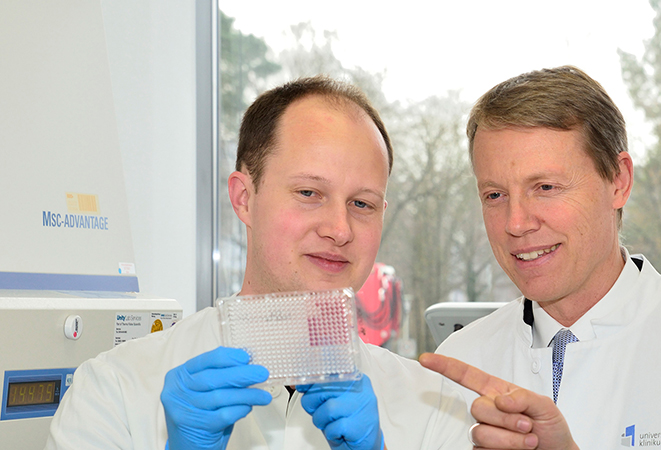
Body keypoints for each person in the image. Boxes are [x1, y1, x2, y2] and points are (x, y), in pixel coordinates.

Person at [45, 76, 472, 450]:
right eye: (309, 193)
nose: (340, 229)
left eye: (362, 203)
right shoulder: (114, 390)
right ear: (244, 198)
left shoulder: (437, 407)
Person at [433, 66, 661, 449]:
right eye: (495, 195)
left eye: (546, 187)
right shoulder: (457, 364)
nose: (516, 223)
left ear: (619, 181)